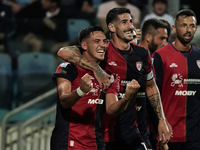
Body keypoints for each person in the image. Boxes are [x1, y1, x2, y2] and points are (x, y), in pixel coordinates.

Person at [57, 7, 172, 150]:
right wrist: (97, 68)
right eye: (124, 22)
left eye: (131, 21)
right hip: (103, 134)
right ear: (111, 27)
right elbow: (63, 51)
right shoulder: (101, 50)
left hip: (131, 131)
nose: (131, 26)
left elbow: (151, 86)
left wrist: (162, 120)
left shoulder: (142, 54)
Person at [51, 25, 140, 150]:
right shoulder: (68, 68)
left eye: (104, 41)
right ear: (84, 45)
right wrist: (81, 91)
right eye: (96, 41)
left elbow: (111, 111)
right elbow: (64, 101)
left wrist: (127, 97)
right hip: (67, 142)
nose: (102, 45)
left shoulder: (109, 77)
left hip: (96, 144)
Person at [152, 9, 200, 150]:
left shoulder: (199, 55)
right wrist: (159, 124)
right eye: (183, 25)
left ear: (196, 29)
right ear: (174, 28)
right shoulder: (160, 56)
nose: (188, 30)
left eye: (192, 26)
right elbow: (153, 93)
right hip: (169, 133)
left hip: (195, 135)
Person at [139, 18, 169, 150]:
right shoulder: (132, 58)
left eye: (166, 38)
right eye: (161, 38)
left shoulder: (158, 61)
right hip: (132, 126)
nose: (165, 43)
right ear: (148, 37)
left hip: (152, 126)